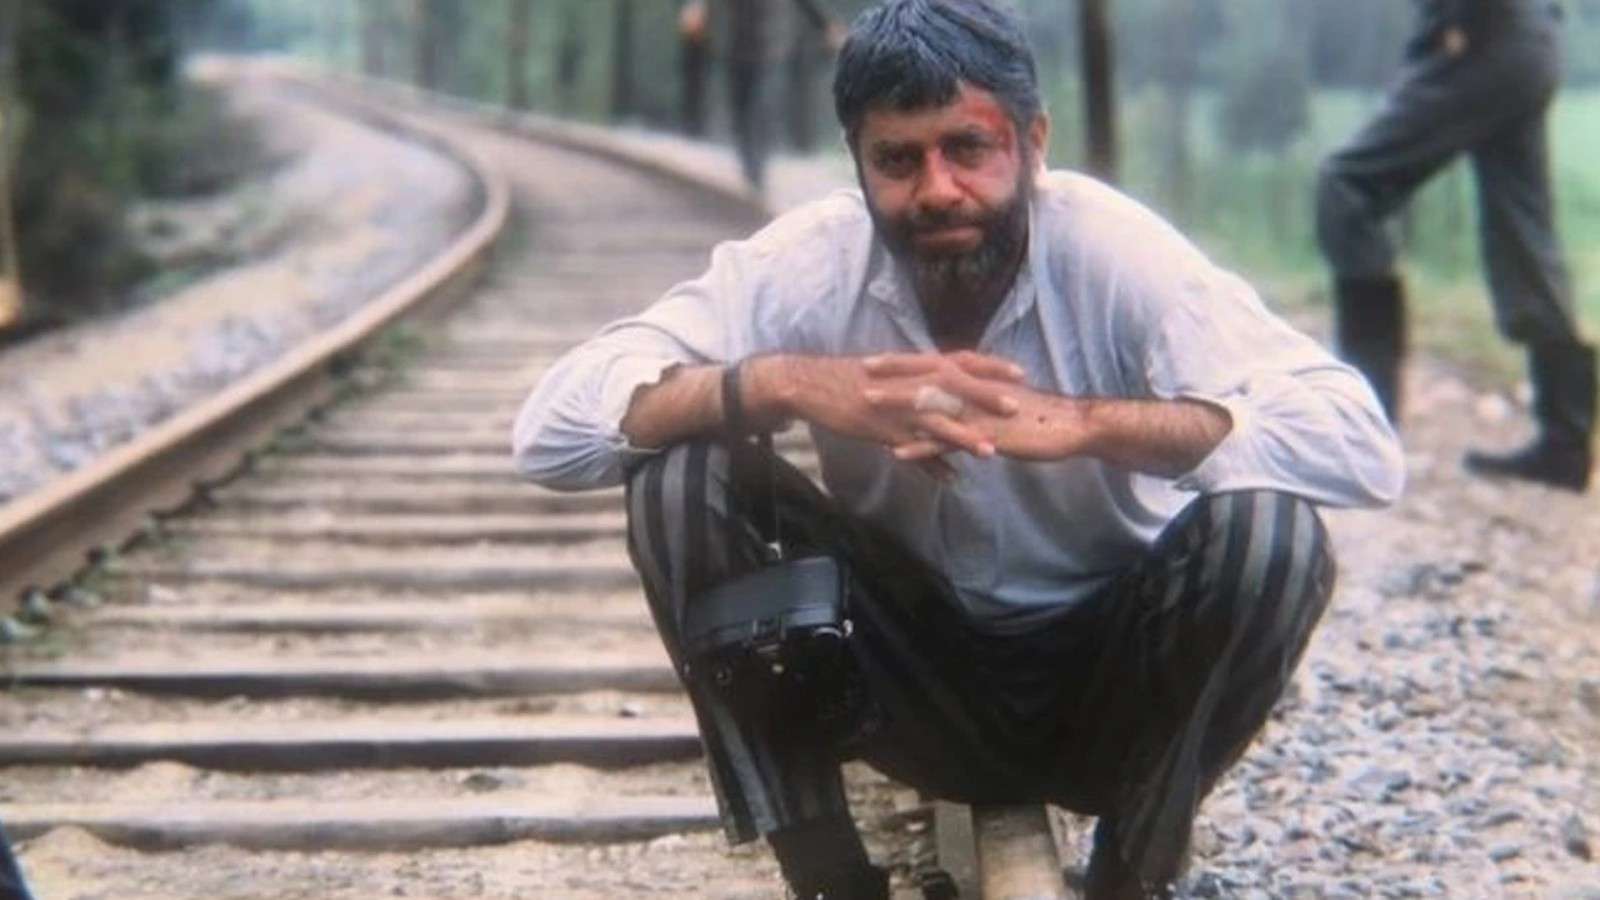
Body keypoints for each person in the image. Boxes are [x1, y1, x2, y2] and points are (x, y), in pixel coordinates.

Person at [515, 1, 1403, 896]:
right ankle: (826, 876)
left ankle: (1135, 869)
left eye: (967, 149)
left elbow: (1360, 444)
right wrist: (780, 384)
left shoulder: (1111, 249)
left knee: (1273, 534)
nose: (937, 189)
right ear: (858, 163)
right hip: (905, 681)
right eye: (897, 160)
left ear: (1032, 143)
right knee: (679, 478)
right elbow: (549, 433)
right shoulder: (815, 260)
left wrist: (1092, 424)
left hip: (1113, 684)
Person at [1316, 0, 1595, 491]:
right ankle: (1564, 443)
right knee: (1524, 234)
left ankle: (1367, 425)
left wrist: (1456, 20)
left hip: (1485, 34)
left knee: (1347, 186)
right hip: (1530, 39)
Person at [678, 0, 842, 191]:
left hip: (771, 50)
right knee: (740, 107)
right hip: (736, 49)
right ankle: (749, 162)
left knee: (762, 106)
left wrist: (827, 25)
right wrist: (697, 7)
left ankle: (757, 168)